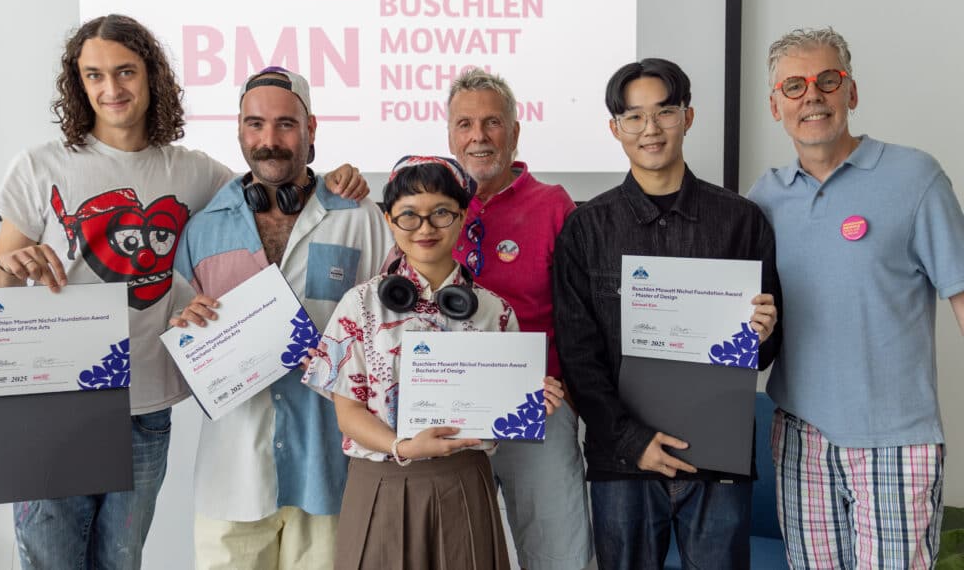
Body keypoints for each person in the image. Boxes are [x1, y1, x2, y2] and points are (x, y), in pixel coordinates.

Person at [0, 15, 365, 570]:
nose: (111, 89)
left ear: (151, 77)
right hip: (55, 406)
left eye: (125, 72)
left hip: (144, 408)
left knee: (122, 561)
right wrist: (11, 268)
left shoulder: (194, 173)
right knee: (49, 562)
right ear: (78, 82)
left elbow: (272, 181)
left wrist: (340, 177)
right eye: (94, 75)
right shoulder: (40, 165)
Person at [748, 27, 964, 568]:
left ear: (852, 93)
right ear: (775, 106)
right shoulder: (762, 199)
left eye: (828, 80)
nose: (812, 96)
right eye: (793, 87)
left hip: (896, 441)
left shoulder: (916, 178)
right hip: (800, 437)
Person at [553, 58, 780, 569]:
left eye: (665, 112)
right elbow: (578, 355)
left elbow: (766, 351)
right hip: (622, 463)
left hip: (716, 457)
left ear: (689, 117)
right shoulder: (585, 230)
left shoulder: (741, 221)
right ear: (616, 128)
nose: (650, 129)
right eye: (633, 117)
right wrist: (633, 443)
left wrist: (764, 332)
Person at [169, 66, 391, 570]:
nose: (269, 140)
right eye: (255, 124)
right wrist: (185, 329)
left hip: (332, 471)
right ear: (240, 130)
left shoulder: (358, 217)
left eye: (286, 124)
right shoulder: (202, 230)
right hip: (234, 476)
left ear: (311, 129)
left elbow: (396, 323)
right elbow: (177, 342)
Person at [302, 156, 566, 570]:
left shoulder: (495, 312)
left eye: (441, 213)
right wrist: (402, 446)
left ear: (462, 217)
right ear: (389, 220)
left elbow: (505, 411)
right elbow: (347, 412)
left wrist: (532, 399)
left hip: (464, 483)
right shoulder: (359, 305)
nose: (425, 228)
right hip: (381, 484)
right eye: (409, 215)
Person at [445, 68, 593, 570]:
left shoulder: (554, 206)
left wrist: (571, 390)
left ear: (514, 131)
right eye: (464, 124)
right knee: (460, 555)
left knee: (558, 557)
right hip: (453, 408)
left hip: (540, 408)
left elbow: (584, 311)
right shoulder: (433, 205)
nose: (478, 136)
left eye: (492, 122)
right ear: (450, 134)